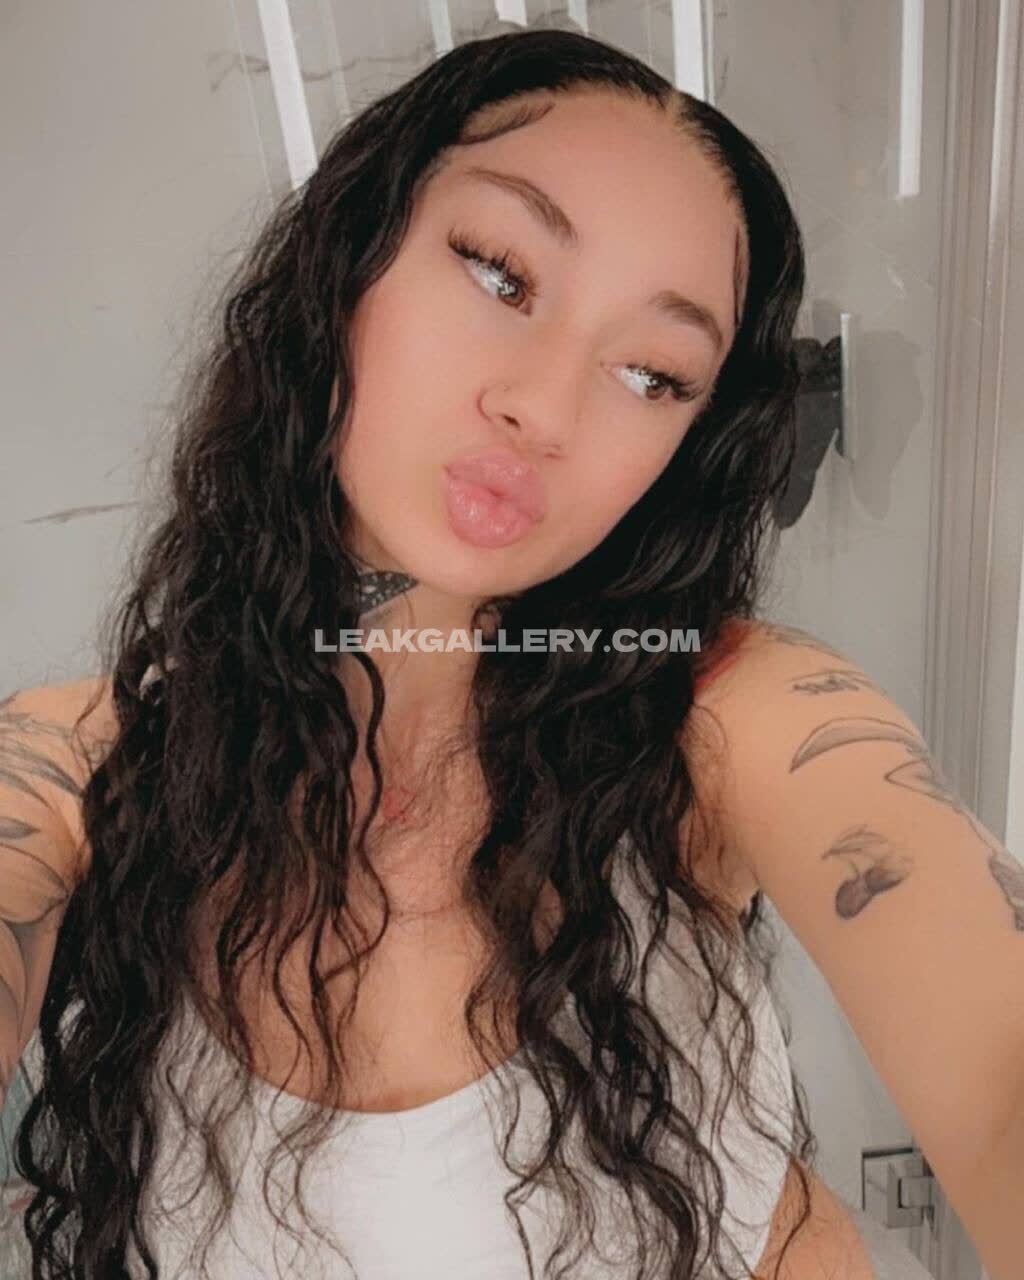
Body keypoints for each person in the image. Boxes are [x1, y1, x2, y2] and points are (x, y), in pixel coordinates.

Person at [3, 27, 1019, 1280]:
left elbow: (999, 1075)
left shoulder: (731, 715)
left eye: (652, 372)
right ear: (351, 256)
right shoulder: (81, 762)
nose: (544, 406)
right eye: (499, 273)